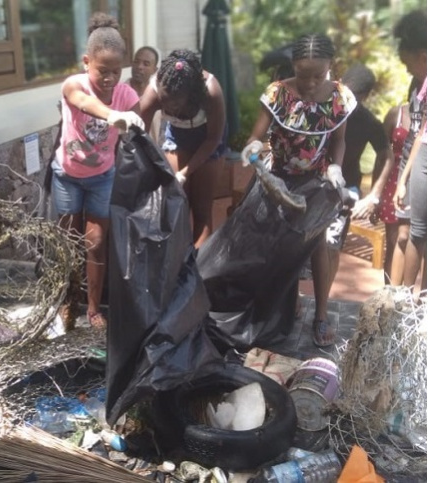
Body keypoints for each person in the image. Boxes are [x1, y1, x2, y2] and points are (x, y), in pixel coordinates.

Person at [242, 33, 357, 347]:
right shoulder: (279, 93)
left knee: (316, 242)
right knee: (276, 245)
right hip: (278, 179)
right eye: (303, 75)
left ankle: (320, 315)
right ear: (293, 66)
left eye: (317, 75)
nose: (309, 83)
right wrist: (252, 147)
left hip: (317, 181)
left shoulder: (339, 96)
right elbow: (258, 134)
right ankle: (275, 310)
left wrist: (336, 166)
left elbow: (339, 139)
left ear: (330, 67)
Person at [51, 12, 143, 329]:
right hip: (67, 177)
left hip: (102, 178)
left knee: (96, 242)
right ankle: (67, 301)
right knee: (67, 242)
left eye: (116, 71)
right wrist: (113, 116)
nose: (110, 78)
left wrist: (136, 122)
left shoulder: (127, 95)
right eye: (103, 70)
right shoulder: (73, 85)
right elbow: (83, 103)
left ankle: (92, 308)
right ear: (86, 61)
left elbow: (140, 135)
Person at [140, 49, 226, 248]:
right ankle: (179, 267)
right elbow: (138, 135)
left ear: (191, 96)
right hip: (178, 138)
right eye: (164, 103)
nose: (168, 109)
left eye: (176, 105)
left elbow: (213, 139)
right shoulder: (155, 91)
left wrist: (186, 172)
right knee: (178, 206)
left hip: (208, 138)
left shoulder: (210, 91)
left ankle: (199, 271)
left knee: (202, 211)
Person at [338, 63, 394, 283]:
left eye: (354, 96)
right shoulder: (323, 108)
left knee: (331, 247)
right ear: (339, 83)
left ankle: (321, 308)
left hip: (346, 188)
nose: (348, 100)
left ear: (365, 96)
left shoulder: (368, 121)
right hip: (315, 184)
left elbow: (386, 155)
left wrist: (374, 195)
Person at [389, 10, 427, 290]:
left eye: (408, 63)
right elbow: (414, 131)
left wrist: (403, 180)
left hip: (421, 159)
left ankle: (414, 298)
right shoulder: (417, 84)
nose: (406, 69)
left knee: (418, 233)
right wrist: (402, 177)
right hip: (410, 160)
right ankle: (395, 292)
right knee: (404, 232)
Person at [353, 102, 409, 282]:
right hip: (394, 183)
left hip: (421, 181)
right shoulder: (396, 113)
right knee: (395, 243)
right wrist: (374, 195)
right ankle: (389, 295)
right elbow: (382, 155)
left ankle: (415, 297)